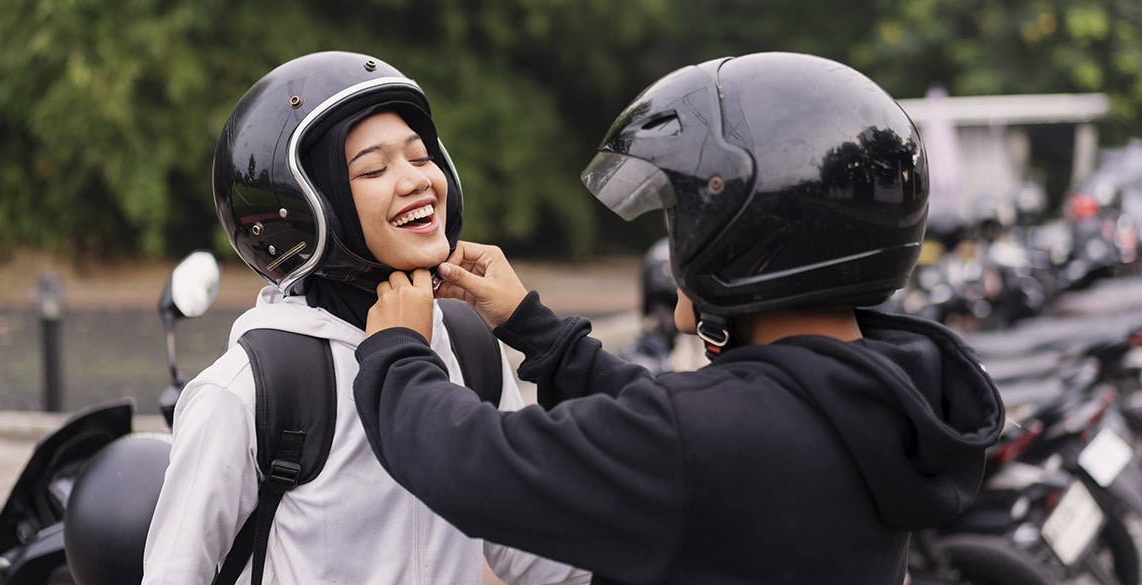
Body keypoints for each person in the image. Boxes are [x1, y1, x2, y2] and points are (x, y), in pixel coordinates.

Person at [352, 52, 1006, 584]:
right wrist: (531, 325)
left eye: (680, 217)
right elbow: (686, 423)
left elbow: (475, 467)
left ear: (745, 237)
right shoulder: (885, 393)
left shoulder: (714, 441)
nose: (672, 244)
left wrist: (399, 354)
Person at [142, 51, 589, 585]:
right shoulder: (249, 390)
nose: (416, 181)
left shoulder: (468, 344)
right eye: (373, 169)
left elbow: (533, 550)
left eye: (422, 159)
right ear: (310, 207)